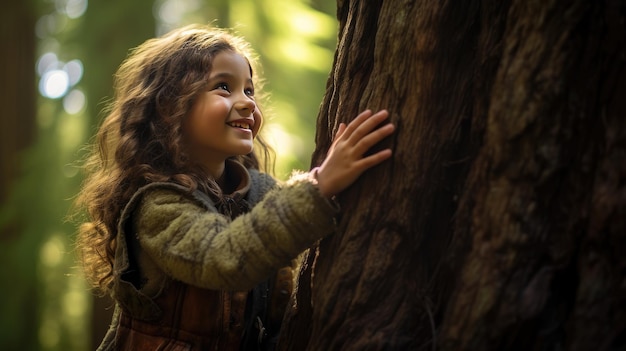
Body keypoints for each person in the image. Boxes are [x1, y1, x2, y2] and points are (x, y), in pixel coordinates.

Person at [74, 23, 394, 351]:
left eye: (250, 91)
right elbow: (225, 257)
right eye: (224, 87)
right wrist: (320, 183)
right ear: (170, 107)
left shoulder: (260, 192)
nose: (247, 103)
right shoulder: (158, 207)